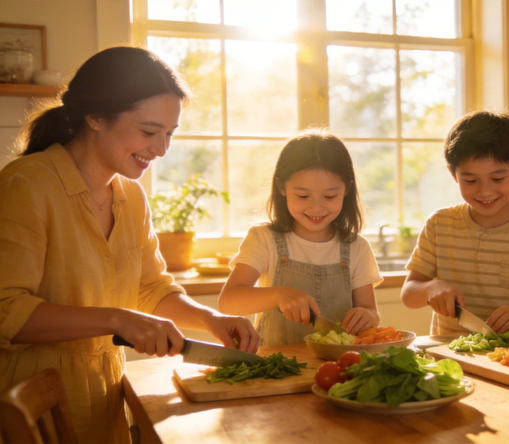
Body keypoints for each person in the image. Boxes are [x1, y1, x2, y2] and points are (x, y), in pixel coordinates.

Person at [0, 46, 259, 443]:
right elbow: (7, 311)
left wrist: (211, 320)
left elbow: (151, 287)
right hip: (33, 415)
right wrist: (117, 319)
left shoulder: (130, 196)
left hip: (104, 397)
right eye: (149, 131)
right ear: (95, 117)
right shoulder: (26, 184)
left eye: (169, 134)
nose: (161, 149)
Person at [400, 111, 509, 335]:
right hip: (450, 357)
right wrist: (431, 287)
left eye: (498, 179)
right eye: (470, 180)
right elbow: (409, 295)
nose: (485, 191)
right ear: (453, 174)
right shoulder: (439, 224)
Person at [218, 129, 382, 345]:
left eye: (330, 196)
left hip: (337, 368)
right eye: (303, 195)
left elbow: (371, 310)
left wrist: (368, 316)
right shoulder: (264, 239)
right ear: (281, 187)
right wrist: (279, 295)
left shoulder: (357, 247)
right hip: (276, 368)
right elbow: (228, 302)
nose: (316, 207)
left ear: (347, 189)